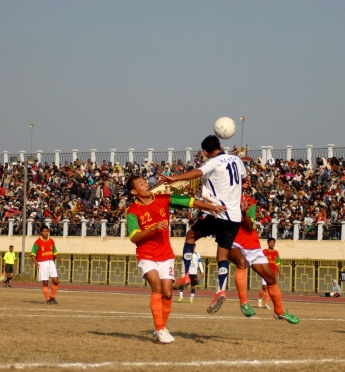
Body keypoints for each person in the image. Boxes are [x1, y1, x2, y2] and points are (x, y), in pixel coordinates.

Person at [126, 175, 224, 344]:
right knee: (156, 288)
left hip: (166, 255)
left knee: (168, 294)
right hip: (146, 255)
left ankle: (161, 328)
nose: (146, 184)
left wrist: (210, 207)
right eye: (141, 184)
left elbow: (189, 202)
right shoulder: (132, 211)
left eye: (145, 182)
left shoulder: (163, 199)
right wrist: (153, 228)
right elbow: (134, 237)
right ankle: (159, 330)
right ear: (134, 191)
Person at [160, 135, 247, 314]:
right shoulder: (237, 160)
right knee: (222, 256)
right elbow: (245, 178)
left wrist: (175, 178)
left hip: (216, 212)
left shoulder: (213, 162)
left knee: (190, 236)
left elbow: (198, 172)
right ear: (220, 145)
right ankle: (220, 290)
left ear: (206, 152)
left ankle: (185, 275)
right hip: (235, 216)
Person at [229, 192, 299, 323]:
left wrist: (243, 212)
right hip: (235, 242)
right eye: (245, 181)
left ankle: (279, 311)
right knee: (241, 262)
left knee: (271, 279)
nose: (247, 182)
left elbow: (250, 226)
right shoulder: (227, 196)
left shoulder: (250, 201)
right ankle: (244, 303)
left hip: (253, 246)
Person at [31, 225, 62, 305]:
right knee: (45, 282)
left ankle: (52, 296)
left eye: (46, 231)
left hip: (51, 262)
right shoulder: (37, 242)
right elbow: (33, 255)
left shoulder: (51, 241)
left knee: (56, 281)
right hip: (42, 263)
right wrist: (36, 263)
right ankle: (48, 299)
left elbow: (55, 252)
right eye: (44, 231)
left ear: (48, 232)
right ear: (41, 232)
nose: (45, 233)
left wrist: (58, 258)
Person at [259, 238, 282, 308]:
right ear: (268, 243)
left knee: (270, 288)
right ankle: (260, 299)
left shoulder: (276, 253)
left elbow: (277, 264)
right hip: (265, 272)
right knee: (264, 287)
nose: (272, 244)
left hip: (272, 273)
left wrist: (280, 272)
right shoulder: (264, 252)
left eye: (273, 243)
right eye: (270, 242)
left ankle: (266, 304)